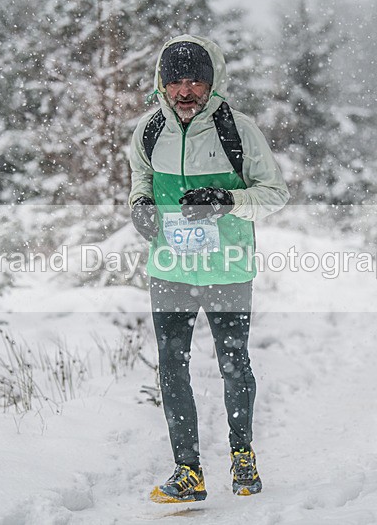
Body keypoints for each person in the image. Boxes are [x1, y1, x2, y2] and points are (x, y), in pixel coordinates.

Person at [128, 35, 289, 504]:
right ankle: (188, 471)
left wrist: (227, 200)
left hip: (227, 268)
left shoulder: (238, 130)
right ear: (162, 83)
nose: (185, 91)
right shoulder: (149, 130)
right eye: (175, 81)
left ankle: (242, 455)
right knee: (171, 367)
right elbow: (140, 176)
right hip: (170, 268)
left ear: (212, 82)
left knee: (233, 362)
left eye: (195, 81)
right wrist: (140, 204)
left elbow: (274, 194)